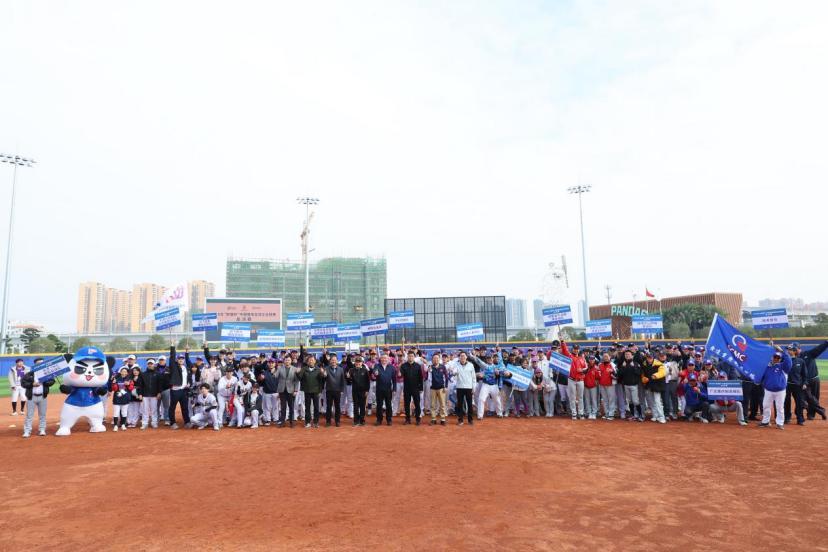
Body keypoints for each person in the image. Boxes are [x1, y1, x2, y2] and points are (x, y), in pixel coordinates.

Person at [791, 341, 828, 420]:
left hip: (814, 379)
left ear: (799, 348)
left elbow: (819, 349)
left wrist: (826, 343)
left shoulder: (809, 354)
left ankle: (811, 414)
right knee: (807, 398)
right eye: (793, 349)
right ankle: (820, 410)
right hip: (804, 381)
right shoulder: (794, 358)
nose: (794, 351)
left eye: (795, 349)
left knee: (814, 397)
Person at [759, 347, 792, 429]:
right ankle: (765, 421)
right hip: (768, 390)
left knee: (780, 407)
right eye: (775, 357)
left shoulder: (783, 366)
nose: (776, 359)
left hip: (780, 391)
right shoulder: (766, 367)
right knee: (766, 406)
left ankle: (780, 423)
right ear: (772, 357)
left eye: (778, 357)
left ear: (780, 359)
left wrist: (782, 351)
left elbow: (789, 362)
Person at [20, 359, 53, 438]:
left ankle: (42, 429)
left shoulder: (46, 373)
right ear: (35, 365)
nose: (41, 365)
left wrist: (44, 382)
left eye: (42, 363)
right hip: (31, 397)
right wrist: (32, 384)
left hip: (42, 397)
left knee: (42, 415)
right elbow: (23, 383)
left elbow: (52, 381)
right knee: (29, 415)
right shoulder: (29, 374)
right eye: (39, 363)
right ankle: (27, 431)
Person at [297, 351, 325, 428]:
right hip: (307, 391)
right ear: (307, 362)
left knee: (316, 407)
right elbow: (299, 378)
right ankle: (307, 422)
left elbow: (322, 380)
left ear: (315, 361)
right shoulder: (304, 369)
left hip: (316, 391)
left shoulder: (318, 369)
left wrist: (322, 373)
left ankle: (316, 422)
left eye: (312, 360)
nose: (311, 361)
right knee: (307, 407)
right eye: (309, 360)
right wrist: (297, 372)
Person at [448, 351, 475, 426]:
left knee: (469, 404)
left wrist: (473, 387)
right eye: (461, 356)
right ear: (459, 357)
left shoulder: (471, 365)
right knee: (459, 404)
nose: (462, 357)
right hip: (459, 387)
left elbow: (473, 377)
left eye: (464, 356)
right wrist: (453, 372)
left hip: (469, 387)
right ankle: (460, 420)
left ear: (466, 357)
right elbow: (454, 373)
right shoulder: (456, 365)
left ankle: (470, 420)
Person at [561, 341, 587, 420]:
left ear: (579, 349)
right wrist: (562, 342)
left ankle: (581, 413)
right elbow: (565, 350)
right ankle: (574, 413)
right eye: (575, 349)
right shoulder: (569, 356)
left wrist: (582, 370)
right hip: (571, 379)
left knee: (580, 397)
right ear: (572, 349)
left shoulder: (582, 358)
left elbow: (586, 368)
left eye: (577, 349)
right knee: (572, 397)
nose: (576, 350)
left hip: (580, 380)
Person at [167, 347, 191, 429]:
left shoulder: (185, 368)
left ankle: (187, 422)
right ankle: (172, 423)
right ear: (177, 360)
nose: (181, 360)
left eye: (182, 359)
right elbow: (172, 357)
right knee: (172, 407)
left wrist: (189, 383)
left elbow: (188, 377)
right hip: (175, 390)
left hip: (184, 390)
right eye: (179, 359)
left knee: (185, 407)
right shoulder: (174, 367)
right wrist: (173, 347)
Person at [400, 350, 426, 425]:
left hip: (416, 388)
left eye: (412, 356)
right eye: (409, 356)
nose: (410, 357)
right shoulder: (404, 366)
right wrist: (399, 370)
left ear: (414, 357)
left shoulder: (418, 366)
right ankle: (407, 419)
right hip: (407, 388)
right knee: (407, 404)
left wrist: (421, 388)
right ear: (407, 357)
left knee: (417, 404)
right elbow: (400, 375)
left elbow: (420, 378)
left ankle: (418, 419)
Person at [784, 344, 808, 426]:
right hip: (786, 385)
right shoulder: (784, 360)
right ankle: (787, 418)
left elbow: (804, 374)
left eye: (790, 349)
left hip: (798, 385)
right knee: (786, 402)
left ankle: (800, 419)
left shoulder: (801, 361)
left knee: (799, 403)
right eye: (787, 349)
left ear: (794, 351)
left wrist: (804, 383)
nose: (788, 351)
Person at [617, 350, 644, 421]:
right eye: (626, 354)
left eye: (629, 354)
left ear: (632, 356)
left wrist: (633, 367)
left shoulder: (636, 363)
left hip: (634, 385)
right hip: (626, 385)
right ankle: (633, 415)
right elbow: (619, 374)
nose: (627, 355)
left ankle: (640, 415)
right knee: (630, 401)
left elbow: (639, 373)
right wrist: (623, 367)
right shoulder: (623, 364)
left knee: (635, 401)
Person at [641, 351, 667, 424]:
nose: (649, 359)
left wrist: (655, 375)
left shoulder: (659, 364)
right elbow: (643, 373)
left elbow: (662, 373)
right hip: (649, 385)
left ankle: (661, 417)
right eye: (648, 357)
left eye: (650, 357)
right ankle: (655, 415)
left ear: (653, 357)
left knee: (657, 401)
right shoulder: (644, 364)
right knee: (651, 402)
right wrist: (643, 378)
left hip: (657, 385)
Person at [372, 353, 396, 426]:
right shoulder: (377, 366)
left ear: (388, 359)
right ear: (380, 359)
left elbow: (394, 379)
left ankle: (389, 420)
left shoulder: (391, 367)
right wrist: (375, 373)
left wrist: (394, 389)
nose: (384, 359)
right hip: (379, 389)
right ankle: (379, 420)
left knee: (388, 405)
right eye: (382, 358)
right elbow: (374, 371)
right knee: (379, 405)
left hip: (388, 389)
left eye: (385, 358)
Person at [137, 358, 161, 430]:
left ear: (154, 365)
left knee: (154, 410)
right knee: (145, 410)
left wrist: (159, 392)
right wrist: (140, 394)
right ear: (147, 365)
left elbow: (159, 385)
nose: (150, 365)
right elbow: (140, 385)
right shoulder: (143, 374)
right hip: (145, 395)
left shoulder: (158, 374)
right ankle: (145, 423)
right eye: (149, 364)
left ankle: (154, 423)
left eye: (151, 364)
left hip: (154, 395)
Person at [276, 356, 300, 427]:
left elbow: (296, 381)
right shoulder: (280, 368)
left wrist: (295, 390)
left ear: (291, 361)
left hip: (291, 390)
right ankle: (282, 422)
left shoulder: (294, 369)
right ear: (284, 361)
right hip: (282, 390)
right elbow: (275, 376)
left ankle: (291, 422)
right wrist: (274, 370)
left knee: (291, 407)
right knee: (283, 407)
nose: (287, 361)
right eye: (286, 360)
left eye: (289, 360)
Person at [324, 354, 347, 427]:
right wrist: (323, 375)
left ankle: (337, 421)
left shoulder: (341, 369)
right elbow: (323, 378)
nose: (333, 361)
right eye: (332, 360)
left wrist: (342, 390)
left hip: (337, 391)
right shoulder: (326, 368)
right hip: (329, 390)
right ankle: (328, 421)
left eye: (335, 360)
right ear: (330, 361)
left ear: (337, 361)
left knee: (337, 406)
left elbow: (343, 380)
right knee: (329, 407)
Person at [428, 353, 449, 425]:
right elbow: (429, 377)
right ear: (432, 359)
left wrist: (445, 386)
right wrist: (429, 370)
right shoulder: (430, 367)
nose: (435, 359)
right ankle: (433, 419)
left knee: (442, 404)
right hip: (433, 388)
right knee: (433, 404)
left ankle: (443, 419)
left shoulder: (443, 367)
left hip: (441, 388)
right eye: (434, 358)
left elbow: (446, 377)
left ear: (439, 359)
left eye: (437, 358)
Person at [349, 356, 371, 426]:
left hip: (363, 391)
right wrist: (348, 377)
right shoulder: (351, 370)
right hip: (355, 391)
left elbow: (368, 381)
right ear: (355, 363)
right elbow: (349, 380)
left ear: (362, 363)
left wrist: (367, 390)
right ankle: (356, 420)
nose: (358, 363)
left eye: (359, 362)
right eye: (356, 362)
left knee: (362, 406)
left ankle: (362, 420)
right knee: (355, 406)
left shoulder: (365, 370)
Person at [110, 366, 133, 431]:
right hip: (117, 398)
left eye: (125, 371)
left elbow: (131, 388)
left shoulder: (130, 379)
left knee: (124, 412)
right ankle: (115, 425)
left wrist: (128, 384)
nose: (124, 373)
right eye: (122, 371)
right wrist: (114, 383)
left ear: (127, 373)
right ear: (120, 372)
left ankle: (123, 425)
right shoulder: (116, 379)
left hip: (125, 398)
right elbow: (114, 389)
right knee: (116, 413)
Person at [259, 358, 280, 426]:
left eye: (272, 363)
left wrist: (280, 392)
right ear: (268, 364)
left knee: (275, 407)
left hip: (276, 392)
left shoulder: (278, 372)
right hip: (267, 392)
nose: (271, 364)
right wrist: (261, 378)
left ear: (275, 364)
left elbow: (280, 383)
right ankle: (268, 420)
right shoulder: (264, 372)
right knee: (267, 407)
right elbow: (260, 382)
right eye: (270, 363)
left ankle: (276, 419)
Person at [597, 353, 617, 420]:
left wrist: (613, 373)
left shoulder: (613, 365)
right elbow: (598, 374)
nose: (605, 358)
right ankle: (607, 413)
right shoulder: (600, 365)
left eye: (607, 356)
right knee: (605, 400)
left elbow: (617, 374)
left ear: (609, 357)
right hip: (602, 384)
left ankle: (611, 414)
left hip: (610, 384)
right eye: (604, 356)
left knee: (611, 399)